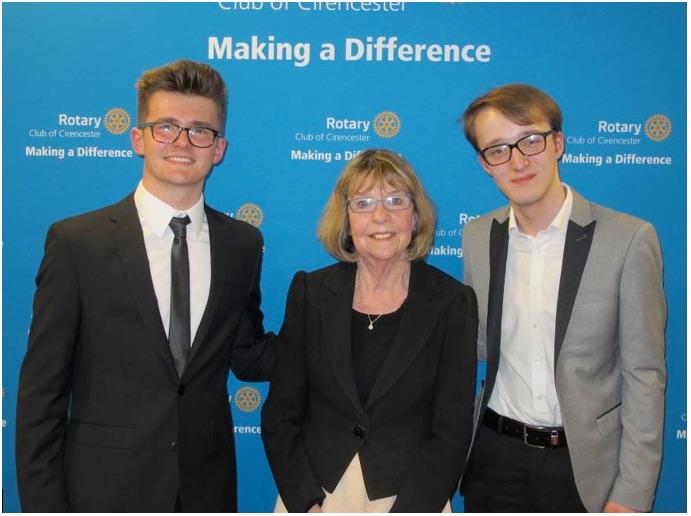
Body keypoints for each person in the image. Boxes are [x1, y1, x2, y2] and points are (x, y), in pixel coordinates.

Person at [15, 59, 275, 512]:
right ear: (138, 138)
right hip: (103, 494)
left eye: (200, 130)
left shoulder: (242, 244)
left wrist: (339, 317)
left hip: (206, 493)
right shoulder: (78, 243)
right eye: (166, 127)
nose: (182, 142)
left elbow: (247, 353)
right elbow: (41, 395)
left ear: (219, 148)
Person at [459, 84, 666, 512]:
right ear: (484, 164)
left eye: (530, 140)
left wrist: (630, 495)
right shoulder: (478, 236)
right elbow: (478, 345)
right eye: (497, 149)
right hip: (495, 461)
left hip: (585, 470)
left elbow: (644, 376)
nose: (517, 161)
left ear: (557, 143)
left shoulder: (629, 239)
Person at [261, 149, 477, 513]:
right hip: (317, 495)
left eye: (395, 200)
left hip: (410, 497)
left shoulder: (452, 303)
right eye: (363, 203)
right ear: (346, 218)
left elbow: (452, 431)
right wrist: (306, 501)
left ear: (416, 215)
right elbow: (280, 415)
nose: (381, 215)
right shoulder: (310, 293)